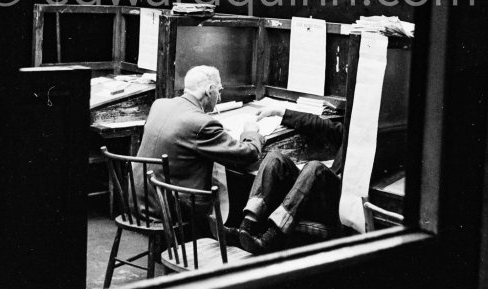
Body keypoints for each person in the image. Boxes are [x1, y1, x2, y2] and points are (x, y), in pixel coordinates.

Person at [136, 65, 264, 223]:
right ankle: (229, 238)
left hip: (139, 199)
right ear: (211, 89)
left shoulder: (159, 105)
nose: (220, 99)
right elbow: (248, 154)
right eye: (220, 91)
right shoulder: (202, 123)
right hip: (168, 207)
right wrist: (251, 132)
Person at [239, 103, 344, 255]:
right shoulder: (354, 129)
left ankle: (272, 238)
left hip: (339, 200)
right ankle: (247, 226)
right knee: (274, 158)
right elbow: (317, 123)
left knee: (315, 168)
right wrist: (279, 111)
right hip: (320, 194)